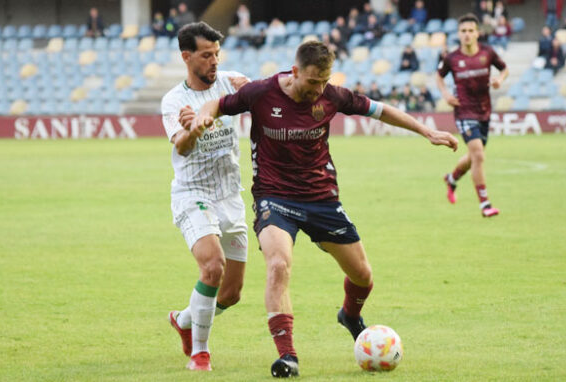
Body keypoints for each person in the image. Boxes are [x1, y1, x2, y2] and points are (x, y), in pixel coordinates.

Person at [186, 40, 458, 378]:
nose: (319, 90)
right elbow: (217, 103)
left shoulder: (332, 95)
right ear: (295, 71)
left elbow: (380, 109)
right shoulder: (260, 93)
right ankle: (287, 356)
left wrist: (426, 130)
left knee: (363, 275)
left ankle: (349, 315)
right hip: (275, 197)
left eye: (324, 82)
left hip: (321, 198)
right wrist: (202, 117)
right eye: (313, 82)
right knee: (278, 264)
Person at [160, 22, 250, 372]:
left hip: (230, 196)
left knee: (231, 294)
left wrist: (255, 89)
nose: (215, 61)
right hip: (192, 193)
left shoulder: (231, 82)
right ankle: (200, 353)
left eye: (217, 54)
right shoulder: (174, 101)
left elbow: (268, 99)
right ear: (187, 57)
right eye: (206, 55)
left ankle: (184, 319)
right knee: (212, 266)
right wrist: (194, 128)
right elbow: (181, 148)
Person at [437, 14, 508, 218]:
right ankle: (485, 204)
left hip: (484, 110)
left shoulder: (488, 53)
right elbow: (439, 77)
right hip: (464, 111)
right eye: (463, 31)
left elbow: (504, 69)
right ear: (458, 34)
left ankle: (452, 178)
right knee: (478, 155)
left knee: (473, 157)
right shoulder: (452, 58)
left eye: (471, 31)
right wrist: (446, 94)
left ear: (477, 33)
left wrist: (499, 80)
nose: (467, 35)